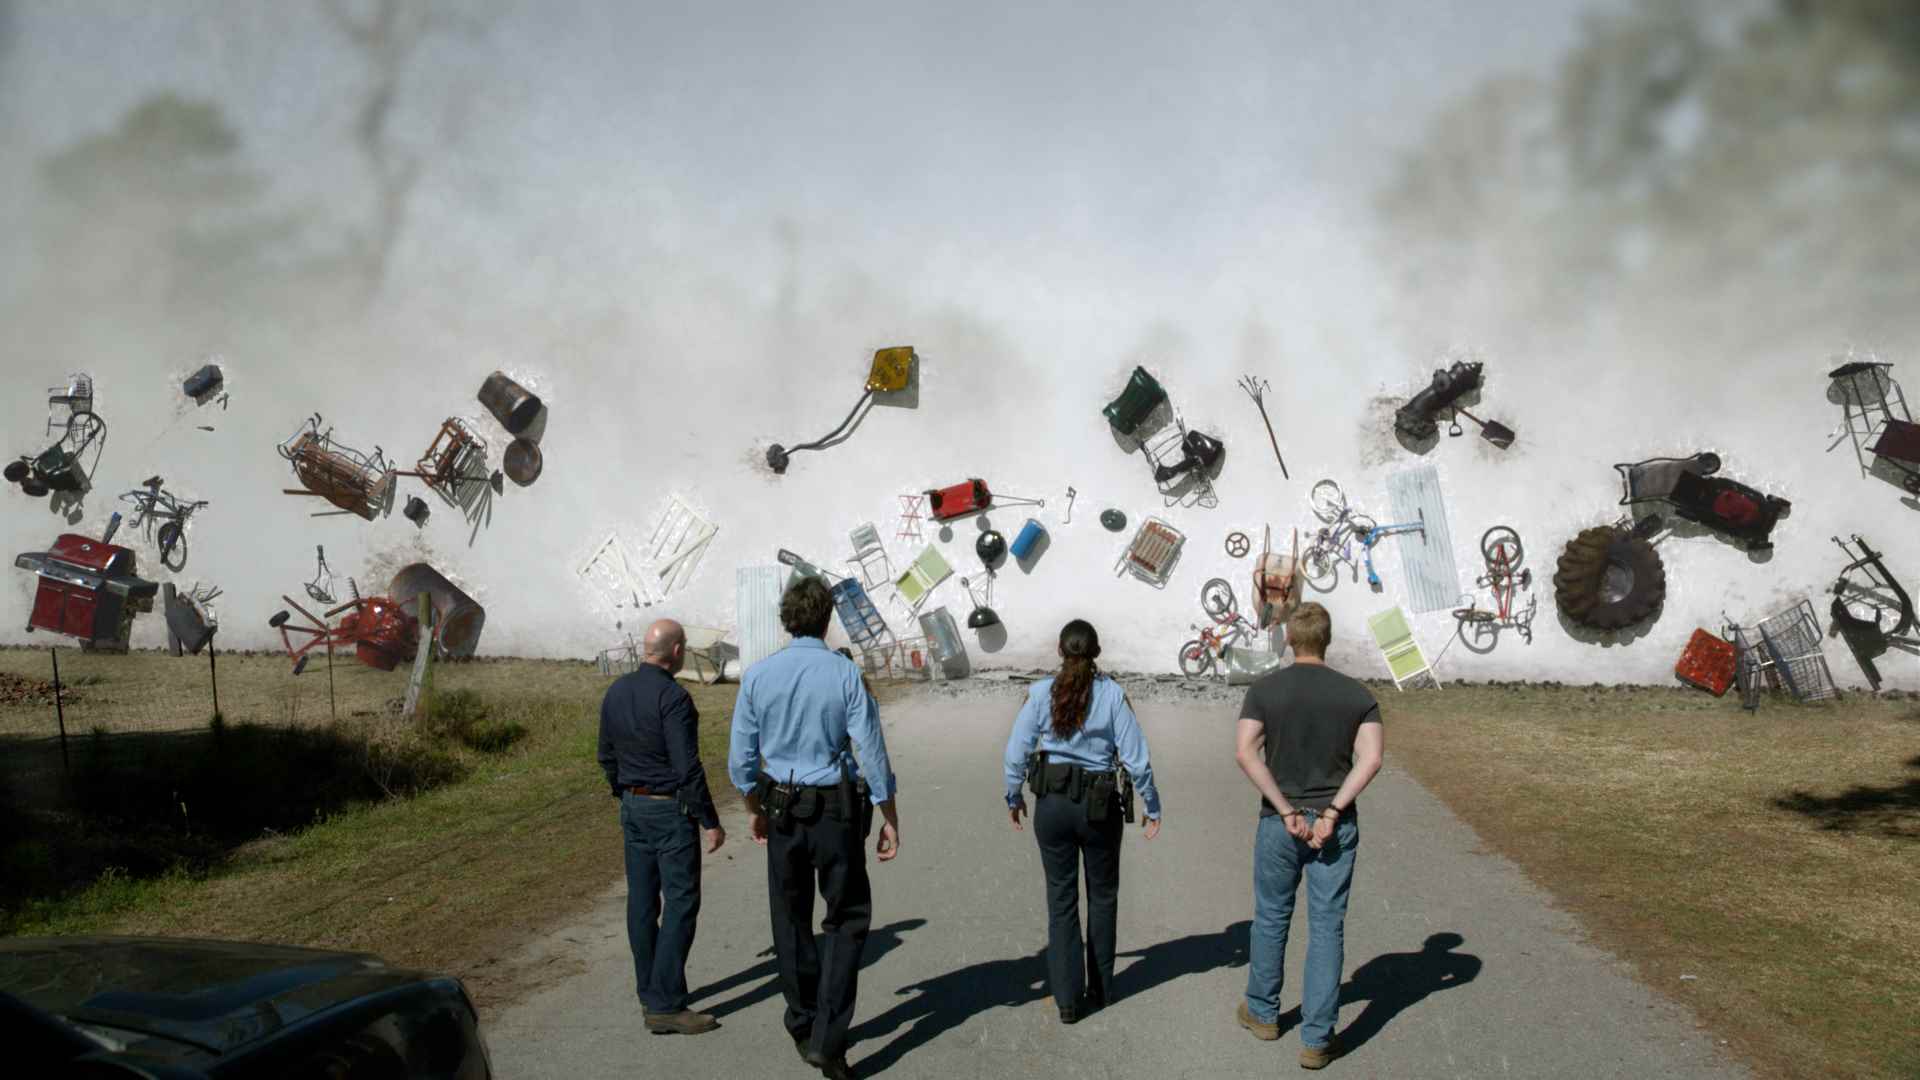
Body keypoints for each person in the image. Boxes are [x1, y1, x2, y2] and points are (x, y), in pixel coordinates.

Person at [729, 577, 901, 1080]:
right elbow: (870, 749)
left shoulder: (758, 676)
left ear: (787, 619)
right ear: (827, 619)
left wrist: (753, 807)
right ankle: (828, 1037)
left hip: (782, 807)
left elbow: (741, 760)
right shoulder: (844, 675)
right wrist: (889, 813)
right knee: (846, 919)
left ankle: (802, 1019)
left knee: (790, 917)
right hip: (834, 810)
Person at [1231, 601, 1384, 1069]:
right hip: (1333, 827)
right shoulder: (1357, 696)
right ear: (1327, 639)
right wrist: (1334, 810)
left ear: (1289, 639)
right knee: (1326, 927)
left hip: (1280, 824)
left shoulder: (1265, 690)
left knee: (1272, 915)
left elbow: (1245, 752)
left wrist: (1284, 809)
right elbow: (1371, 758)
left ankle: (1262, 1013)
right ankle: (1317, 1038)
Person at [1002, 619, 1161, 1024]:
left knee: (1061, 902)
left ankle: (1068, 1001)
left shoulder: (1040, 693)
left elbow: (1017, 750)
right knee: (1103, 897)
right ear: (1096, 652)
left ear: (1060, 651)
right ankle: (1102, 990)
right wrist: (1151, 806)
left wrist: (1013, 794)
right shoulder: (1111, 695)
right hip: (1098, 807)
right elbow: (1136, 758)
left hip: (1052, 806)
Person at [597, 618, 726, 1035]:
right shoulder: (674, 698)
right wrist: (709, 819)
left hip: (633, 806)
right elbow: (686, 765)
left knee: (642, 902)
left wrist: (625, 792)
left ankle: (649, 990)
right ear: (675, 651)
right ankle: (666, 1002)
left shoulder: (616, 691)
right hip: (669, 810)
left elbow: (605, 754)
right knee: (681, 902)